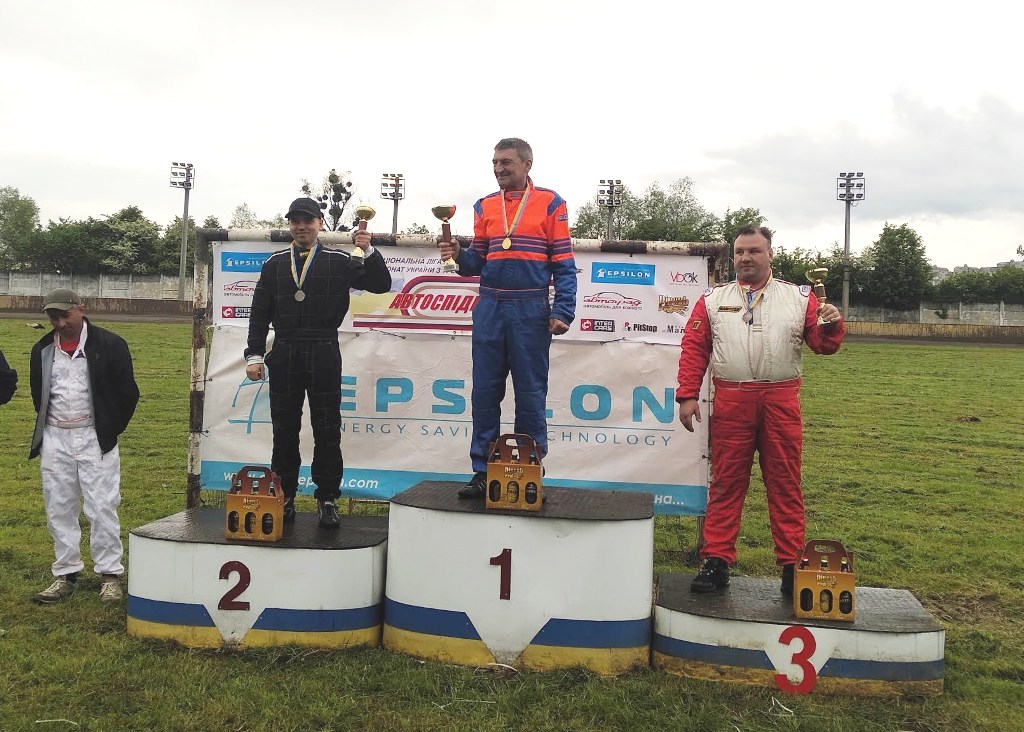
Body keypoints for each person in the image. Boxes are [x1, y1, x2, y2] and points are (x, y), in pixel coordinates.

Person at [675, 225, 846, 594]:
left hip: (780, 400)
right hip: (731, 400)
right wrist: (687, 394)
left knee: (785, 483)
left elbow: (823, 345)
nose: (745, 258)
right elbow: (694, 347)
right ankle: (716, 561)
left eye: (754, 251)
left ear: (770, 254)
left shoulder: (799, 297)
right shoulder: (713, 299)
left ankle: (791, 565)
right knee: (725, 483)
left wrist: (831, 325)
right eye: (740, 252)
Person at [439, 138, 577, 498]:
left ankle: (529, 470)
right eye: (495, 163)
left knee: (530, 394)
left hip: (530, 309)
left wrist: (563, 309)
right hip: (491, 306)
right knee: (484, 393)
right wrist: (459, 253)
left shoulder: (551, 203)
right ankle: (482, 471)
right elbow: (477, 262)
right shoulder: (485, 205)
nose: (499, 169)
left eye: (506, 162)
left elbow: (564, 264)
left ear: (527, 164)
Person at [244, 197, 391, 528]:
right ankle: (284, 497)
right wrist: (254, 355)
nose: (301, 226)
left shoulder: (340, 260)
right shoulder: (274, 264)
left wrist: (367, 250)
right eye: (295, 221)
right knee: (284, 430)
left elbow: (381, 285)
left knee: (327, 429)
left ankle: (327, 498)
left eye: (307, 220)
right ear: (289, 225)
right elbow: (259, 313)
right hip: (284, 351)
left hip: (324, 349)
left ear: (320, 223)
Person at [29, 289, 140, 604]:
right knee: (58, 506)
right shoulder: (42, 349)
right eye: (54, 317)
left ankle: (109, 574)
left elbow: (128, 393)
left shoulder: (110, 345)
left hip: (95, 436)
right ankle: (65, 573)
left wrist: (109, 428)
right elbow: (39, 394)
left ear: (82, 309)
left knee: (102, 505)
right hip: (55, 437)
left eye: (65, 315)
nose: (60, 323)